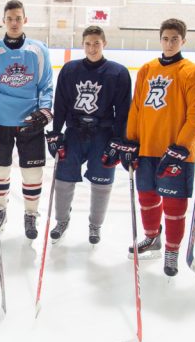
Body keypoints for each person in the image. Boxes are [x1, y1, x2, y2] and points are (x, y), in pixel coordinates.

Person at [110, 18, 195, 276]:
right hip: (146, 149)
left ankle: (173, 251)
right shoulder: (147, 69)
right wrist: (130, 141)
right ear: (160, 39)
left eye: (175, 39)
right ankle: (152, 237)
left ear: (183, 41)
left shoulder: (192, 72)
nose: (169, 43)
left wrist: (181, 146)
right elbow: (137, 108)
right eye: (165, 38)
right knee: (147, 199)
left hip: (176, 153)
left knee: (174, 207)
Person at [0, 0, 54, 240]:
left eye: (18, 18)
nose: (13, 22)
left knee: (32, 173)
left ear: (25, 20)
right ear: (3, 20)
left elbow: (46, 85)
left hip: (29, 124)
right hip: (0, 123)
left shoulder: (38, 49)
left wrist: (44, 111)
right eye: (9, 18)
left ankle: (30, 214)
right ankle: (0, 211)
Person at [46, 26, 131, 244]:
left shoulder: (118, 72)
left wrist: (118, 140)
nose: (92, 48)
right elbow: (61, 103)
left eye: (96, 43)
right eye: (87, 43)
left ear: (104, 44)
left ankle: (95, 225)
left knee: (102, 182)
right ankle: (62, 220)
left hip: (103, 134)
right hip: (74, 132)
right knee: (64, 178)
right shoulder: (70, 70)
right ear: (82, 44)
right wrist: (56, 133)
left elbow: (123, 110)